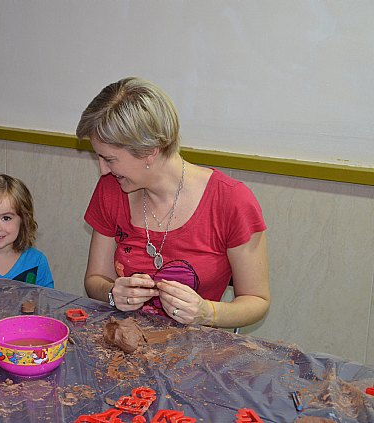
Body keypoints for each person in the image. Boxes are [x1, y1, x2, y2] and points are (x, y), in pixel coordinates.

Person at [77, 77, 269, 329]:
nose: (103, 170)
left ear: (150, 151)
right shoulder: (111, 189)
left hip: (196, 351)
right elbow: (95, 279)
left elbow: (257, 300)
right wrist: (114, 293)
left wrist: (207, 312)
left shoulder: (231, 201)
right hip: (126, 340)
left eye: (110, 159)